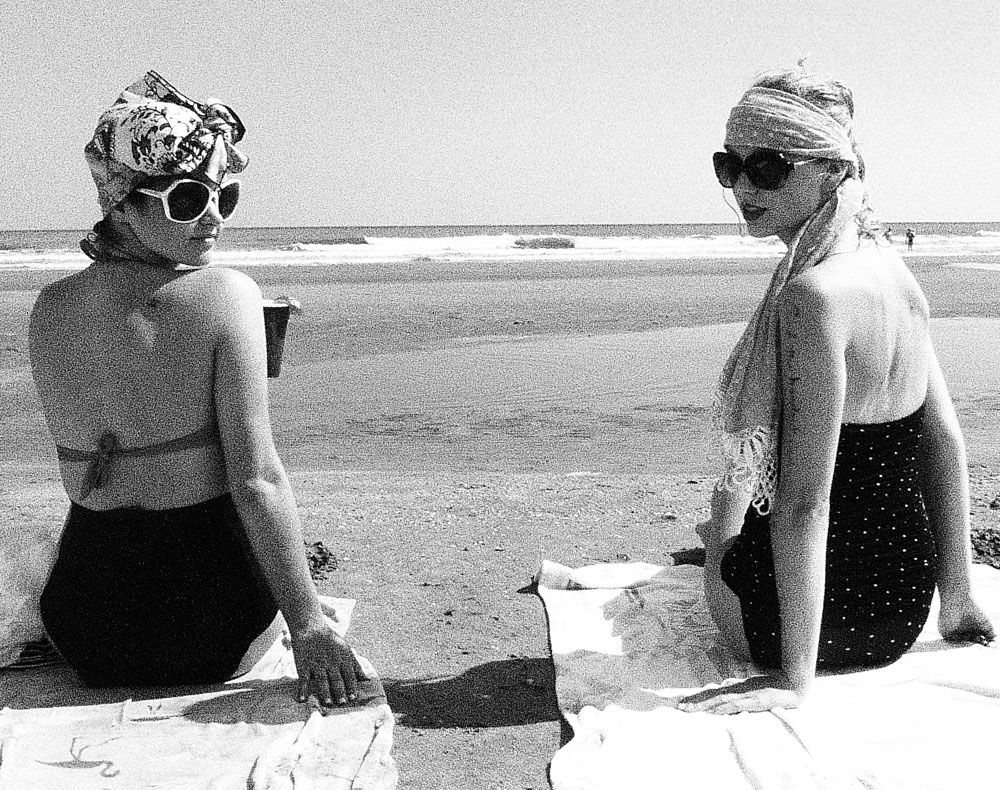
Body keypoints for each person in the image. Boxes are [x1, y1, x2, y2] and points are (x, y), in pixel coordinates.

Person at [29, 72, 365, 707]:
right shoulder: (227, 295)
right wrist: (310, 628)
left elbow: (117, 425)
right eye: (186, 199)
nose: (212, 217)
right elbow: (257, 478)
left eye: (222, 196)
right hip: (210, 627)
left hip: (83, 627)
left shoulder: (50, 307)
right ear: (122, 204)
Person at [681, 67, 994, 715]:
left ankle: (718, 545)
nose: (743, 187)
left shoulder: (812, 296)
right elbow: (943, 441)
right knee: (734, 513)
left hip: (807, 628)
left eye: (769, 167)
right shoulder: (895, 272)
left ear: (830, 169)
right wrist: (957, 600)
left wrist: (793, 681)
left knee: (723, 520)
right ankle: (721, 541)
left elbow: (805, 503)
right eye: (729, 165)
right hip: (902, 608)